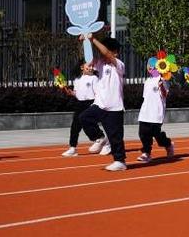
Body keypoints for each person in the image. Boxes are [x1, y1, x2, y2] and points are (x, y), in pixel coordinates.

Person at [79, 35, 128, 171]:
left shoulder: (118, 64)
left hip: (114, 107)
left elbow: (106, 53)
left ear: (115, 52)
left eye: (106, 51)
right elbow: (89, 62)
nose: (103, 53)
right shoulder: (100, 63)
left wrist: (93, 39)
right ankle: (100, 137)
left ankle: (120, 161)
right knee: (84, 118)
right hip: (100, 104)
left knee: (115, 136)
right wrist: (86, 41)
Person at [61, 59, 106, 157]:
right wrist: (71, 93)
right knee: (75, 127)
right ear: (82, 67)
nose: (91, 68)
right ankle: (72, 148)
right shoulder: (77, 80)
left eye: (92, 66)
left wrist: (95, 104)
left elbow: (97, 93)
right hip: (79, 104)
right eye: (88, 66)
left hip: (90, 103)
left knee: (88, 123)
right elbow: (76, 93)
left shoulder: (94, 78)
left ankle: (100, 137)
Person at [136, 61, 174, 163]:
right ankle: (146, 153)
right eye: (149, 65)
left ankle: (168, 144)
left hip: (156, 113)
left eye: (153, 66)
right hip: (145, 112)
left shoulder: (163, 80)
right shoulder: (147, 81)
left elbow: (165, 94)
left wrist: (161, 86)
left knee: (156, 134)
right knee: (143, 133)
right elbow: (145, 97)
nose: (150, 67)